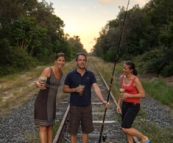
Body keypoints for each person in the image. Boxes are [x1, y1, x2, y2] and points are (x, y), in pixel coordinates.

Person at [63, 53, 109, 143]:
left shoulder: (90, 74)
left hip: (87, 106)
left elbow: (96, 87)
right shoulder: (70, 75)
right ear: (76, 62)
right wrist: (75, 90)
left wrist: (103, 100)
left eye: (84, 60)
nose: (82, 62)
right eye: (80, 60)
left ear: (86, 62)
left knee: (86, 130)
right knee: (73, 130)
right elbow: (65, 89)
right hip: (74, 106)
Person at [34, 52, 66, 143]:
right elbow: (38, 82)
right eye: (59, 60)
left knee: (50, 126)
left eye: (63, 61)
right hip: (42, 101)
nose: (61, 62)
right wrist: (38, 84)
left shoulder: (61, 73)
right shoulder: (48, 70)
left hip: (52, 103)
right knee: (43, 127)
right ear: (55, 61)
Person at [116, 61, 150, 143]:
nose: (123, 70)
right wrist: (118, 104)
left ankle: (144, 138)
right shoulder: (122, 78)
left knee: (124, 127)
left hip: (133, 106)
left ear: (131, 70)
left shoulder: (135, 80)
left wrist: (129, 95)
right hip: (125, 105)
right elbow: (122, 92)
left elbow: (143, 94)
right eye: (123, 68)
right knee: (128, 127)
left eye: (125, 68)